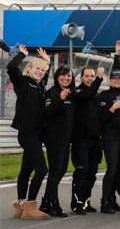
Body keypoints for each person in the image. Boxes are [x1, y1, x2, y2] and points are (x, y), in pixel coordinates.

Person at [8, 45, 51, 220]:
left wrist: (47, 62)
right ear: (29, 69)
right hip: (27, 133)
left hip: (37, 134)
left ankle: (19, 206)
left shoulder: (39, 86)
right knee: (42, 169)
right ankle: (30, 207)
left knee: (26, 170)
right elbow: (11, 67)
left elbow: (44, 77)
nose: (40, 72)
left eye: (42, 70)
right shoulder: (23, 82)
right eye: (37, 69)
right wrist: (22, 54)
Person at [40, 65, 76, 217]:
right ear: (56, 77)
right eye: (63, 75)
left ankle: (46, 202)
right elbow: (47, 113)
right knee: (55, 172)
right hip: (54, 139)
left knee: (61, 171)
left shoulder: (71, 93)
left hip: (66, 139)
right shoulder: (52, 93)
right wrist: (60, 99)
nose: (66, 78)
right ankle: (54, 204)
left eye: (69, 76)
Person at [70, 66, 105, 214]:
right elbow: (86, 96)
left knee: (92, 172)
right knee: (81, 173)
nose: (90, 78)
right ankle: (77, 203)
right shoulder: (77, 92)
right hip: (80, 141)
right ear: (81, 78)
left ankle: (85, 200)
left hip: (95, 141)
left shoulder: (96, 95)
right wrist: (99, 78)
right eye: (87, 76)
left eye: (92, 76)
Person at [96, 68, 120, 213]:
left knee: (117, 170)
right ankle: (104, 201)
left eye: (119, 79)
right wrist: (112, 109)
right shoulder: (103, 96)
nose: (117, 81)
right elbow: (101, 118)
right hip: (110, 137)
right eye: (114, 79)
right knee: (111, 169)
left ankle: (112, 199)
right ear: (110, 80)